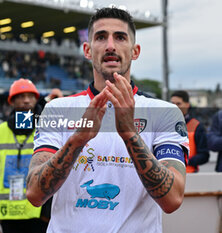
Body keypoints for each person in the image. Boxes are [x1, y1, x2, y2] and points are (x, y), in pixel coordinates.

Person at [26, 7, 189, 233]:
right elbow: (34, 194)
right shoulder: (58, 110)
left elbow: (172, 199)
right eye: (101, 37)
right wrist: (77, 140)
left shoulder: (165, 113)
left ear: (135, 51)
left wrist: (130, 133)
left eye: (120, 37)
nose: (110, 45)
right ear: (87, 50)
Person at [0, 78, 60, 233]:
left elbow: (54, 172)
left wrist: (47, 210)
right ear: (12, 101)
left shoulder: (46, 128)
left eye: (30, 96)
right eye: (21, 96)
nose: (26, 101)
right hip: (8, 213)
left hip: (38, 212)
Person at [170, 90, 209, 172]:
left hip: (190, 175)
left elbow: (204, 155)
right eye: (172, 103)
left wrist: (184, 161)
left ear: (187, 105)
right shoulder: (163, 125)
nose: (175, 106)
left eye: (178, 103)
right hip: (168, 175)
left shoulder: (197, 126)